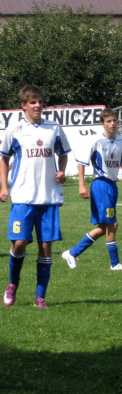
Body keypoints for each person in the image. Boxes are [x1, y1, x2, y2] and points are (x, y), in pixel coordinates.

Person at [1, 86, 71, 309]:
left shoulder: (54, 128)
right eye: (33, 102)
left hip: (49, 197)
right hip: (22, 196)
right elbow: (3, 158)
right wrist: (4, 185)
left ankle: (40, 297)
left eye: (40, 101)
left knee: (46, 248)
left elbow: (64, 153)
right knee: (19, 243)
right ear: (23, 105)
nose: (38, 106)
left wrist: (61, 171)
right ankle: (13, 283)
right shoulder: (15, 130)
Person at [62, 108, 122, 270]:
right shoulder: (95, 141)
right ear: (102, 124)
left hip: (112, 185)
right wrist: (81, 185)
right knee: (111, 224)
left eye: (114, 120)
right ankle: (114, 263)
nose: (112, 124)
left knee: (106, 226)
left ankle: (72, 253)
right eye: (109, 121)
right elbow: (81, 163)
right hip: (100, 185)